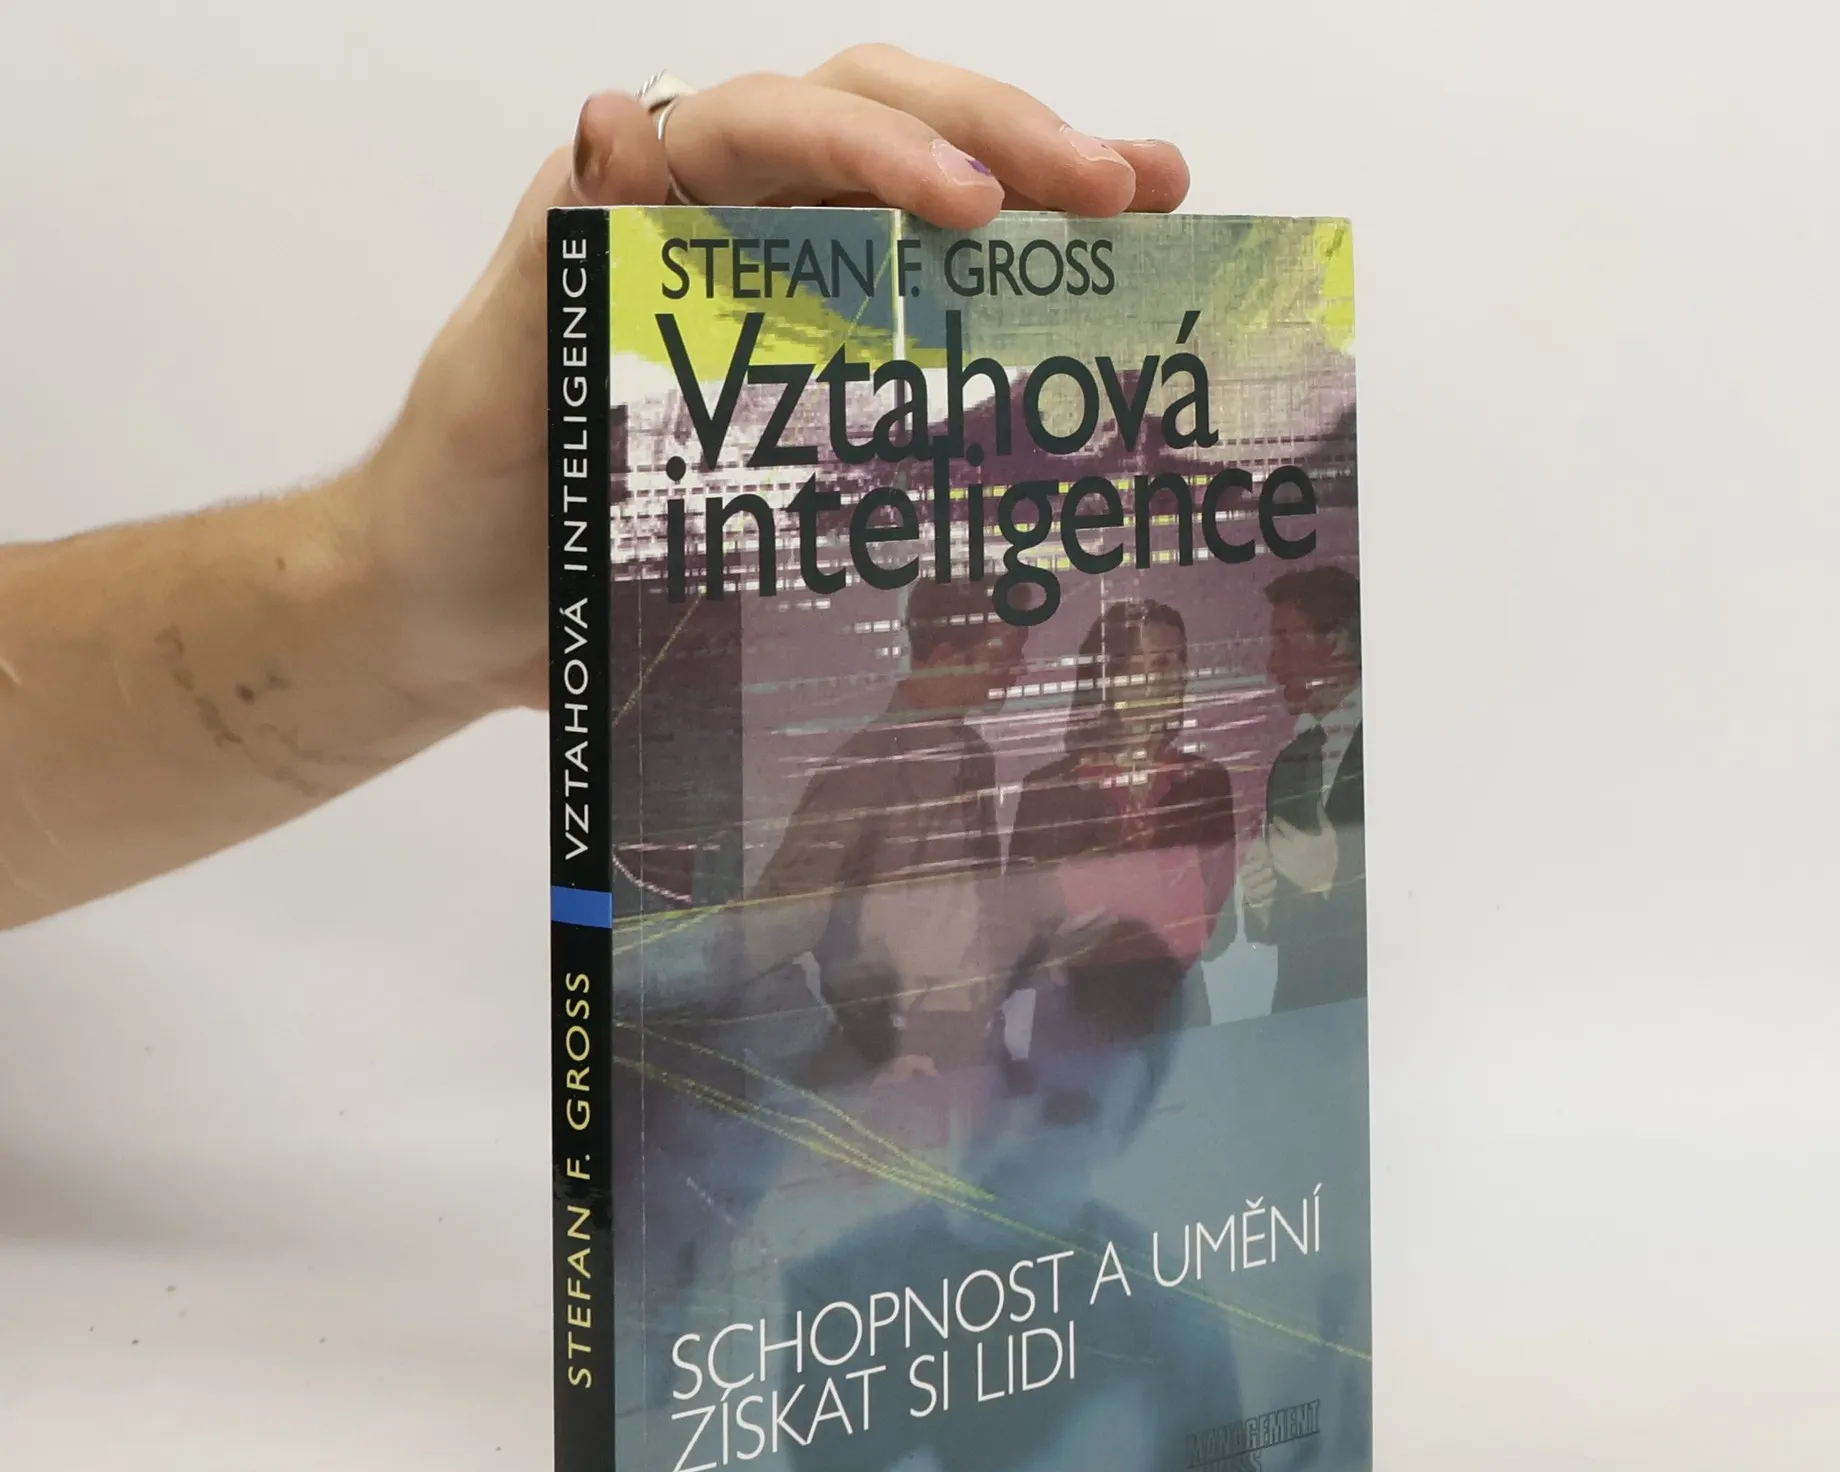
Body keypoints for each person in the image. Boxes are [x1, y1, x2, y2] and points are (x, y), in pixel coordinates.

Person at [0, 49, 1190, 931]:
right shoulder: (865, 770)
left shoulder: (986, 765)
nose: (1031, 657)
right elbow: (784, 935)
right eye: (1008, 636)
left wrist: (386, 586)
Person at [733, 576, 1031, 1085]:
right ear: (946, 656)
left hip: (973, 1052)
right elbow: (751, 948)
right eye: (1005, 655)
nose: (1020, 670)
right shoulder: (863, 773)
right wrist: (843, 1066)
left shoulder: (973, 756)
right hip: (899, 1061)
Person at [1006, 599, 1238, 1027]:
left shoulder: (1206, 783)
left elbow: (1222, 925)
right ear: (1111, 677)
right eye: (1161, 662)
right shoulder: (1049, 791)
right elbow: (1019, 926)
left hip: (1179, 1008)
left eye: (1181, 661)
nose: (1179, 676)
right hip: (1074, 1011)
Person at [1238, 565, 1366, 1012]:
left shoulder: (1406, 743)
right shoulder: (1292, 762)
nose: (1272, 665)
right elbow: (1277, 929)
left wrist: (1332, 882)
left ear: (1338, 642)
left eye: (1286, 642)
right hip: (1297, 1016)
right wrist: (1262, 902)